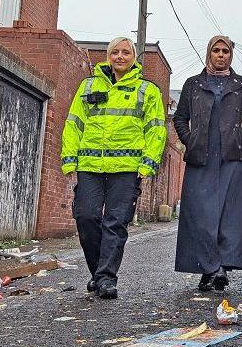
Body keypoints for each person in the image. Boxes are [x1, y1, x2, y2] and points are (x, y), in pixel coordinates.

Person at [61, 36, 167, 299]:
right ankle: (99, 272)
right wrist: (69, 159)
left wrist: (148, 162)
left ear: (134, 58)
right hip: (90, 165)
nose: (120, 56)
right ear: (108, 56)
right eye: (115, 52)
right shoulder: (87, 86)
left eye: (126, 52)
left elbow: (156, 129)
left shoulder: (147, 90)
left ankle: (106, 278)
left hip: (127, 167)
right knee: (86, 217)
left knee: (115, 223)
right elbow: (73, 123)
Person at [173, 36, 242, 291]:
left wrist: (238, 138)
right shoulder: (193, 84)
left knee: (227, 215)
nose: (220, 55)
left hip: (231, 158)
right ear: (208, 53)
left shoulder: (241, 85)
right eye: (216, 51)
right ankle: (210, 268)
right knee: (201, 215)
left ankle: (218, 266)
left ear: (231, 55)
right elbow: (180, 119)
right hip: (201, 158)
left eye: (225, 51)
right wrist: (191, 141)